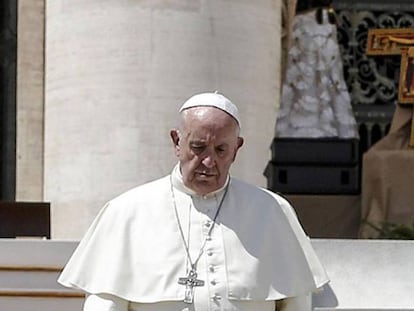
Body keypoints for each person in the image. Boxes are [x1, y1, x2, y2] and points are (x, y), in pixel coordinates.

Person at [58, 92, 329, 311]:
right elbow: (105, 304)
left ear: (237, 149)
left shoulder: (272, 211)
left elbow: (296, 303)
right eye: (198, 148)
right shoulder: (126, 212)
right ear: (177, 142)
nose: (209, 162)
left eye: (221, 150)